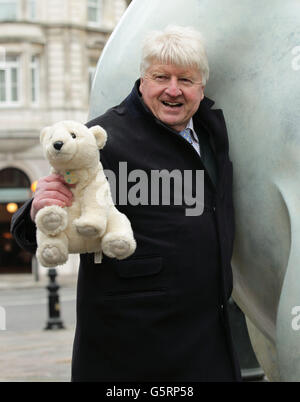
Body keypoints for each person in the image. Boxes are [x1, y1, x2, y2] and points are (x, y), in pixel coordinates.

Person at [11, 25, 241, 382]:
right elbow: (32, 225)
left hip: (208, 341)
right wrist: (37, 209)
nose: (173, 89)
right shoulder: (103, 139)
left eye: (186, 79)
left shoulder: (213, 133)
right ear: (142, 80)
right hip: (132, 352)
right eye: (161, 76)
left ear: (202, 87)